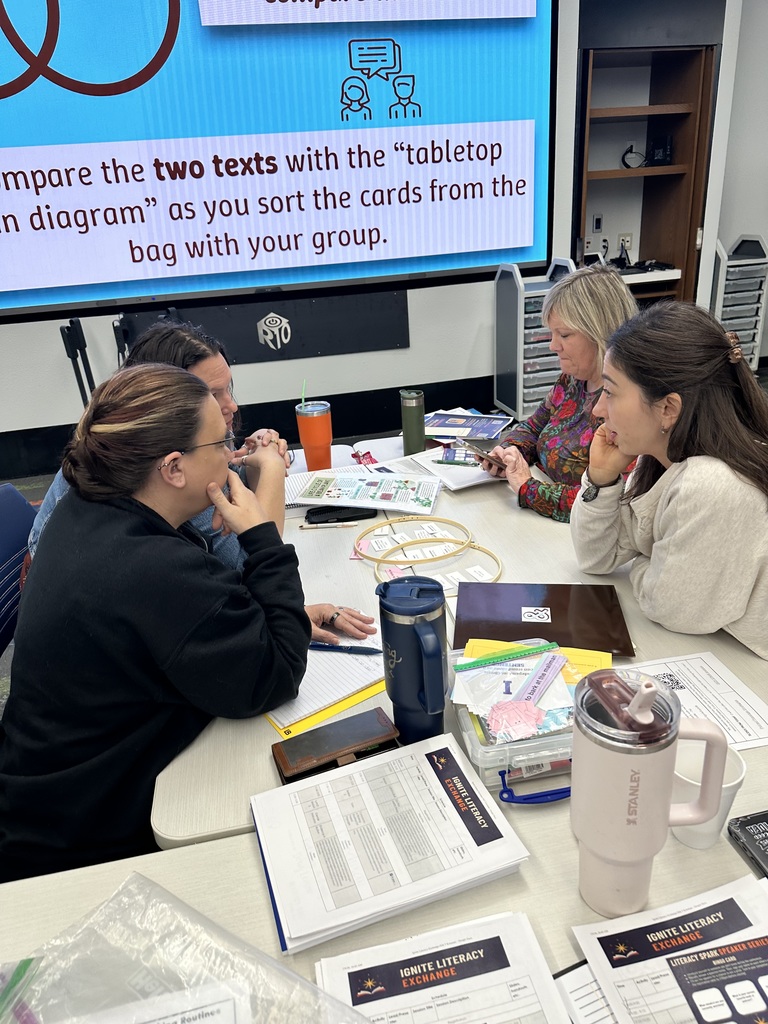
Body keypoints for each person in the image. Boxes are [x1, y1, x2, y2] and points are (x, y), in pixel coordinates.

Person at [0, 365, 312, 880]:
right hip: (77, 848)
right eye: (223, 442)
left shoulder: (89, 508)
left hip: (41, 792)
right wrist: (262, 538)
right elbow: (275, 673)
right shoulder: (150, 569)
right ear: (173, 468)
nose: (232, 453)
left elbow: (215, 612)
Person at [28, 319, 375, 644]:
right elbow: (247, 575)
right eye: (213, 395)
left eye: (229, 390)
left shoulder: (127, 451)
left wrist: (246, 463)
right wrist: (269, 469)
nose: (232, 405)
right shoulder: (156, 483)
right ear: (169, 404)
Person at [570, 302, 768, 660]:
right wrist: (602, 479)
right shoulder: (661, 457)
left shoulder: (711, 483)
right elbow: (596, 558)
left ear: (668, 409)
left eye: (611, 392)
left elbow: (671, 609)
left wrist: (646, 562)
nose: (598, 410)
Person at [476, 266, 638, 522]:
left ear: (600, 333)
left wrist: (528, 489)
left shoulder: (630, 405)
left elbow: (607, 501)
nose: (553, 345)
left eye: (564, 335)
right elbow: (532, 427)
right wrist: (510, 453)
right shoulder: (572, 381)